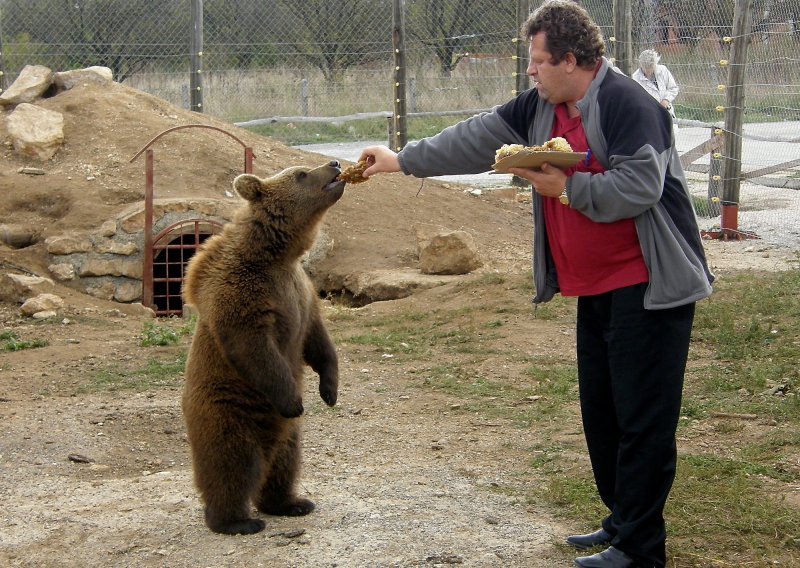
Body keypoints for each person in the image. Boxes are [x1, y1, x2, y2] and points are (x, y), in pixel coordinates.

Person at [358, 1, 714, 566]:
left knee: (643, 419)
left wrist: (565, 190)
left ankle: (642, 548)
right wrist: (403, 160)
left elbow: (640, 186)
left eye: (537, 62)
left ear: (571, 60)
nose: (530, 73)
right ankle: (622, 521)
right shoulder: (542, 106)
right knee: (603, 413)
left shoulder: (629, 104)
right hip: (593, 285)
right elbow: (478, 138)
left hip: (648, 285)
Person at [632, 49, 679, 120]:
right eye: (646, 67)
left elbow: (673, 88)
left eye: (651, 67)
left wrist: (666, 100)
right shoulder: (635, 78)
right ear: (641, 65)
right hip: (648, 116)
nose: (649, 70)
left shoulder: (663, 70)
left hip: (667, 112)